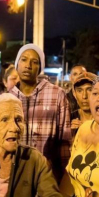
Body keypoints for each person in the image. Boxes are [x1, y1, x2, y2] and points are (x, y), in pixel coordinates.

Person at [9, 44, 71, 182]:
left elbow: (65, 141)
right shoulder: (7, 98)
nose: (28, 65)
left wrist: (64, 179)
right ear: (17, 63)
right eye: (24, 59)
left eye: (34, 62)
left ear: (40, 67)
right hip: (15, 176)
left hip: (47, 177)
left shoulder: (57, 94)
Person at [69, 71, 96, 137]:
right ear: (74, 94)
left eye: (89, 90)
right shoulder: (69, 118)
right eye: (79, 91)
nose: (84, 96)